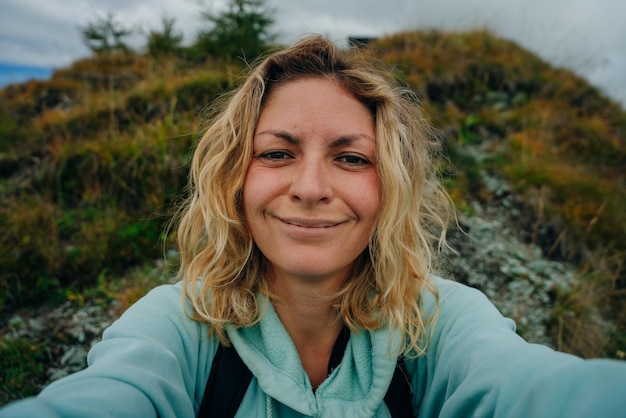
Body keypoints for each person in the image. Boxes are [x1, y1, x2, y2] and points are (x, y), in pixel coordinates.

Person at [1, 35, 625, 418]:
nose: (309, 186)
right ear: (235, 179)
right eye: (277, 152)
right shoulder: (178, 327)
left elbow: (531, 390)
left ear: (392, 189)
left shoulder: (443, 325)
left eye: (352, 158)